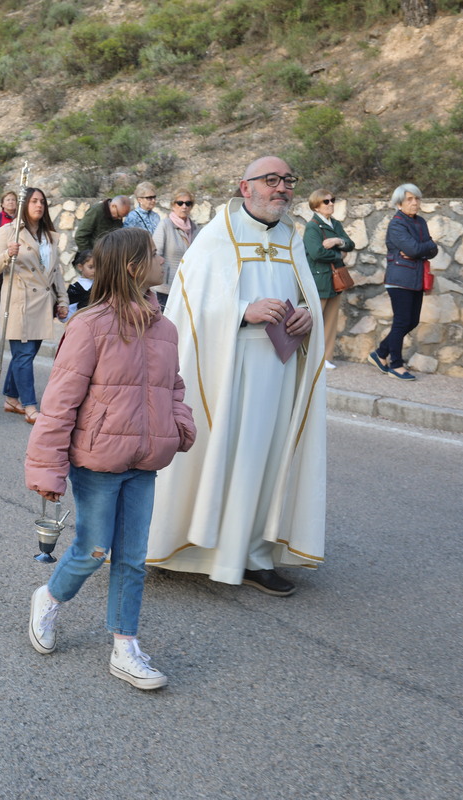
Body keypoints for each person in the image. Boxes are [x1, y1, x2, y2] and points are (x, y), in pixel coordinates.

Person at [25, 227, 196, 690]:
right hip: (97, 460)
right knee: (92, 550)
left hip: (145, 459)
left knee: (133, 557)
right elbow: (60, 402)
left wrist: (178, 424)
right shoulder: (88, 325)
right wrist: (47, 467)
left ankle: (125, 646)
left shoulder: (165, 327)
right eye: (155, 255)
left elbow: (173, 386)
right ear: (133, 266)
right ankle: (49, 597)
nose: (163, 261)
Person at [146, 156, 325, 597]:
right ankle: (191, 546)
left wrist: (306, 315)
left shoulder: (291, 237)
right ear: (245, 187)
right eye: (271, 180)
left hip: (280, 369)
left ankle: (253, 554)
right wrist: (242, 312)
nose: (281, 188)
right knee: (229, 450)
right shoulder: (216, 236)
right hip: (229, 367)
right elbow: (188, 302)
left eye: (288, 180)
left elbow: (309, 295)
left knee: (267, 457)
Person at [0, 187, 69, 424]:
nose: (39, 205)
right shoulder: (8, 232)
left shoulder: (50, 236)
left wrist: (62, 300)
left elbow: (56, 273)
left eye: (42, 201)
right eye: (34, 201)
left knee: (27, 355)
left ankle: (12, 398)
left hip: (43, 302)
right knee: (23, 355)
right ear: (24, 204)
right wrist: (7, 255)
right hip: (19, 303)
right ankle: (30, 405)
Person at [368, 184, 438, 381]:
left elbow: (432, 248)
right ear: (399, 203)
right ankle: (395, 365)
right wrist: (424, 248)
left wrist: (423, 247)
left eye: (416, 199)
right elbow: (416, 249)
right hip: (399, 279)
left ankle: (381, 353)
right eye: (409, 199)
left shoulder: (421, 222)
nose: (414, 203)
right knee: (401, 322)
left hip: (415, 279)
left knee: (412, 321)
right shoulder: (397, 224)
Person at [303, 188, 355, 370]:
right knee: (315, 320)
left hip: (335, 280)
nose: (331, 203)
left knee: (331, 320)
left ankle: (325, 357)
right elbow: (316, 253)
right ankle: (308, 357)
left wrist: (337, 242)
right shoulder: (312, 227)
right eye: (326, 201)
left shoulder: (336, 224)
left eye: (332, 200)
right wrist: (338, 256)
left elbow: (350, 244)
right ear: (316, 206)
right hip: (320, 279)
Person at [151, 188, 200, 308]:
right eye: (180, 203)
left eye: (188, 203)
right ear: (173, 205)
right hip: (166, 288)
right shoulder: (165, 225)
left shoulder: (195, 229)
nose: (184, 206)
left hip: (187, 286)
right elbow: (154, 255)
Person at [65, 250, 94, 317]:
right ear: (80, 267)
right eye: (91, 267)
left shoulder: (101, 285)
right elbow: (68, 314)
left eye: (98, 267)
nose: (94, 270)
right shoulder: (75, 289)